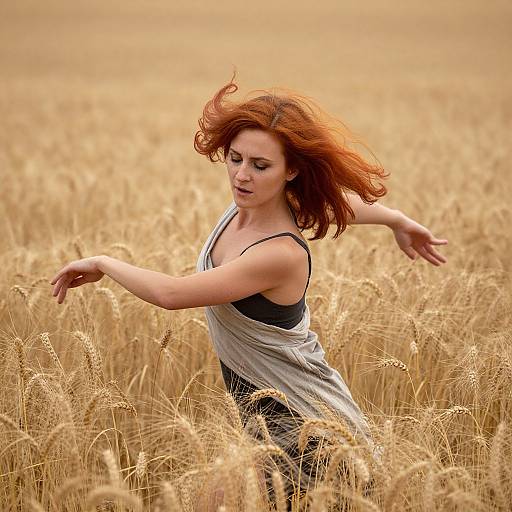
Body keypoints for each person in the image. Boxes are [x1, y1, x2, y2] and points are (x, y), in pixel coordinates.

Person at [49, 74, 448, 510]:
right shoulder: (253, 202)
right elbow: (338, 205)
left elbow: (172, 295)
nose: (242, 175)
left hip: (308, 428)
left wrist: (105, 262)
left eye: (260, 166)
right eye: (235, 158)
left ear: (290, 170)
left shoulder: (278, 254)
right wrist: (396, 219)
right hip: (260, 421)